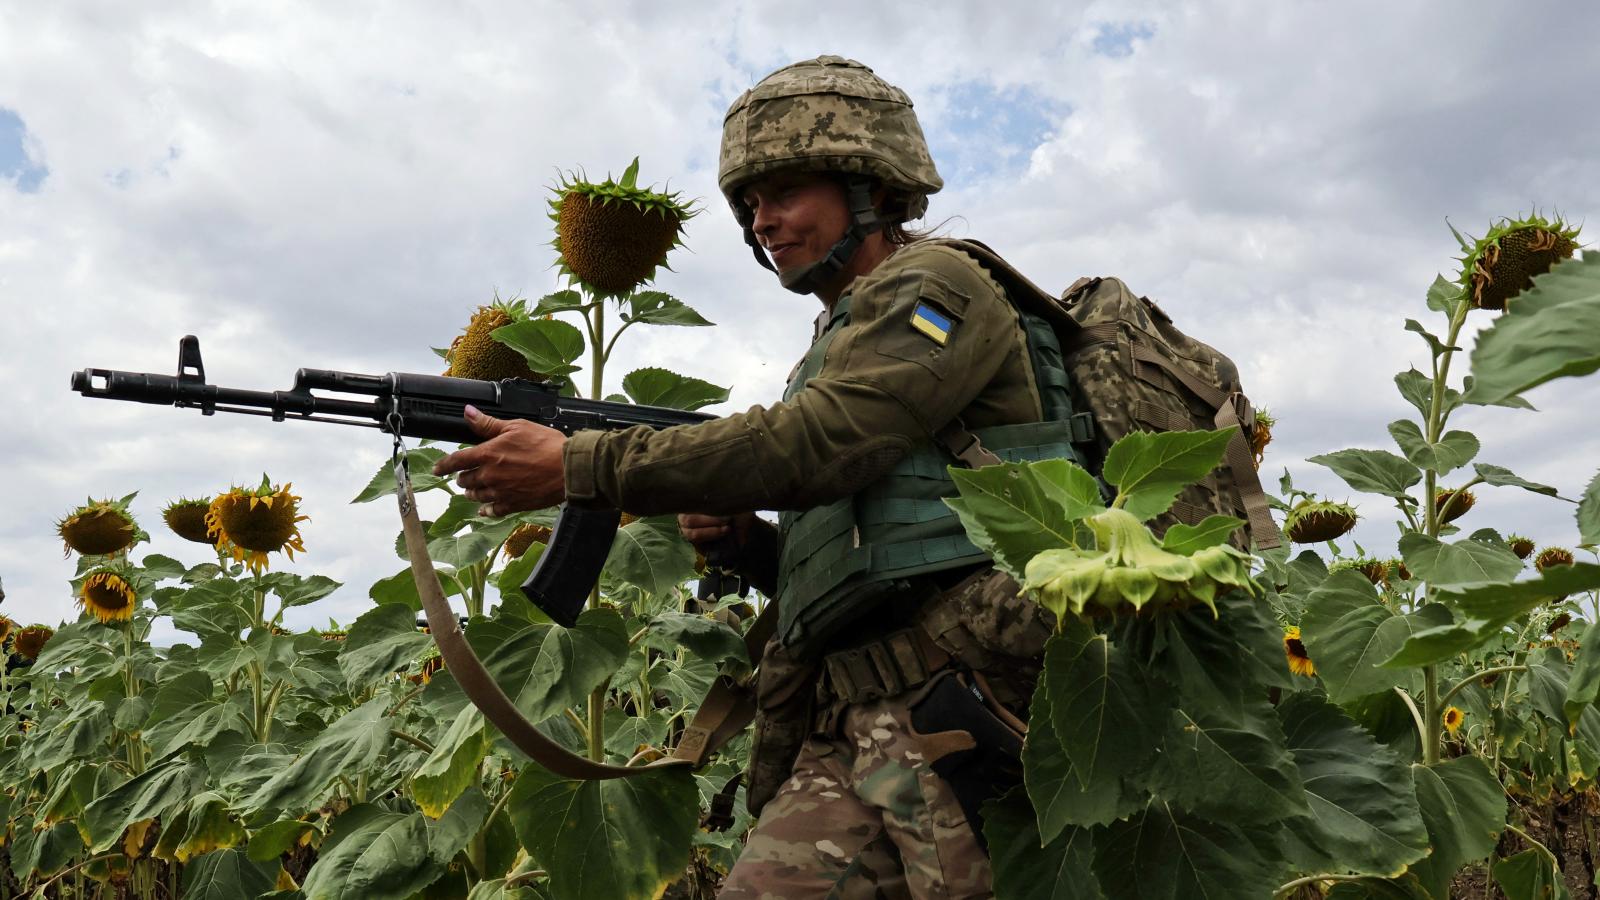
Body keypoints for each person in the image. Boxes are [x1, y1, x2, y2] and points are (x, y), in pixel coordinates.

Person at [434, 55, 1074, 899]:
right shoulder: (837, 339)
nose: (762, 222)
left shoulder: (938, 288)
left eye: (784, 194)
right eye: (749, 205)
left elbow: (821, 444)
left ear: (872, 188)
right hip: (857, 726)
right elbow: (877, 548)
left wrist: (582, 465)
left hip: (959, 713)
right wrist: (754, 546)